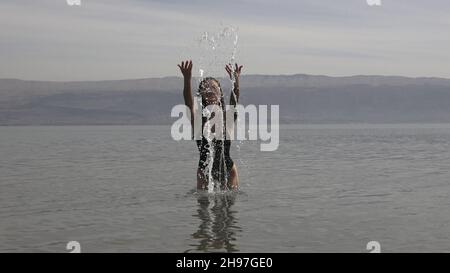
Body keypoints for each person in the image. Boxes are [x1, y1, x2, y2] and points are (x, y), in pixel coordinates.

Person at [177, 60, 243, 190]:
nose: (210, 90)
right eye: (206, 88)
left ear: (220, 94)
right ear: (201, 95)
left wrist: (235, 81)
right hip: (204, 171)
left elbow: (234, 100)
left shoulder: (226, 118)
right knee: (203, 206)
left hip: (228, 170)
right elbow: (188, 103)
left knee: (230, 207)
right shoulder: (197, 120)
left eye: (214, 87)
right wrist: (187, 79)